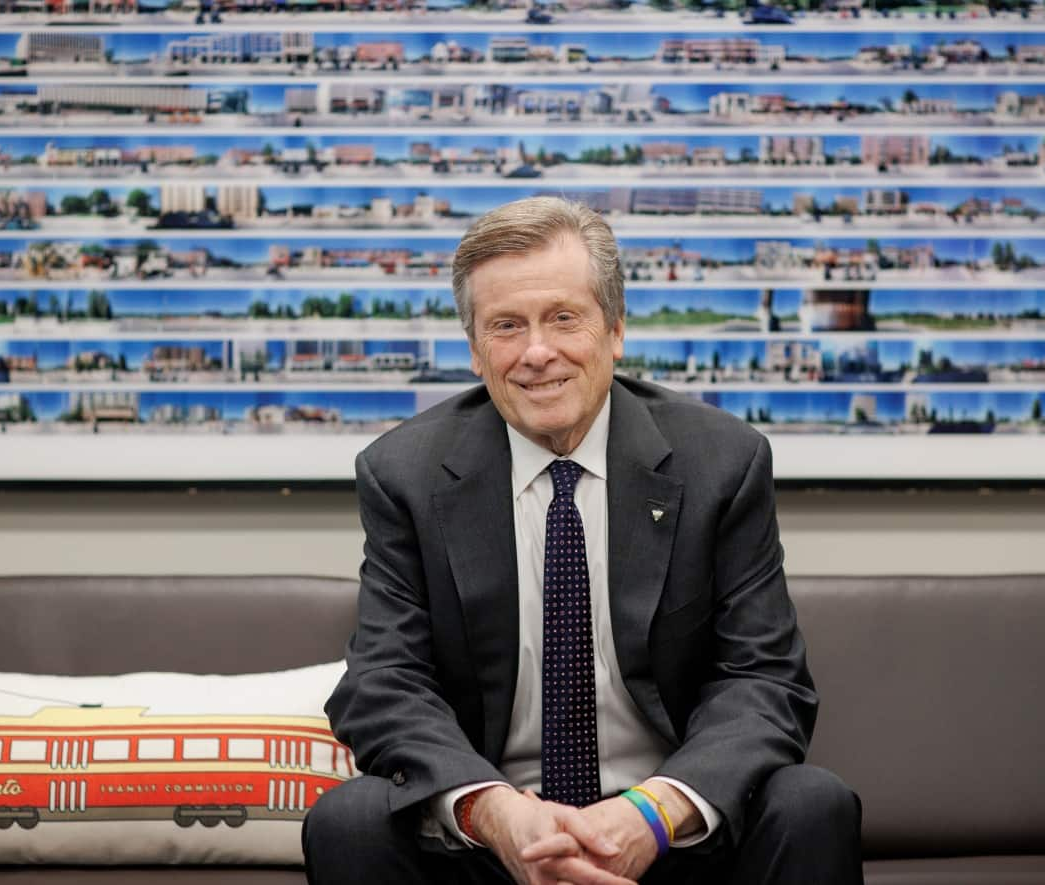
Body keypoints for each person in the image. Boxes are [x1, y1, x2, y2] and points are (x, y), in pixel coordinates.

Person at [303, 197, 862, 885]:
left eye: (564, 318)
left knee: (813, 802)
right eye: (507, 325)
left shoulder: (721, 462)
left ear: (617, 328)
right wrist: (499, 815)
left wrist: (649, 815)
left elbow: (764, 680)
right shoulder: (405, 476)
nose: (538, 352)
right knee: (348, 819)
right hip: (498, 841)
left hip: (671, 831)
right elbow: (383, 685)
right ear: (476, 351)